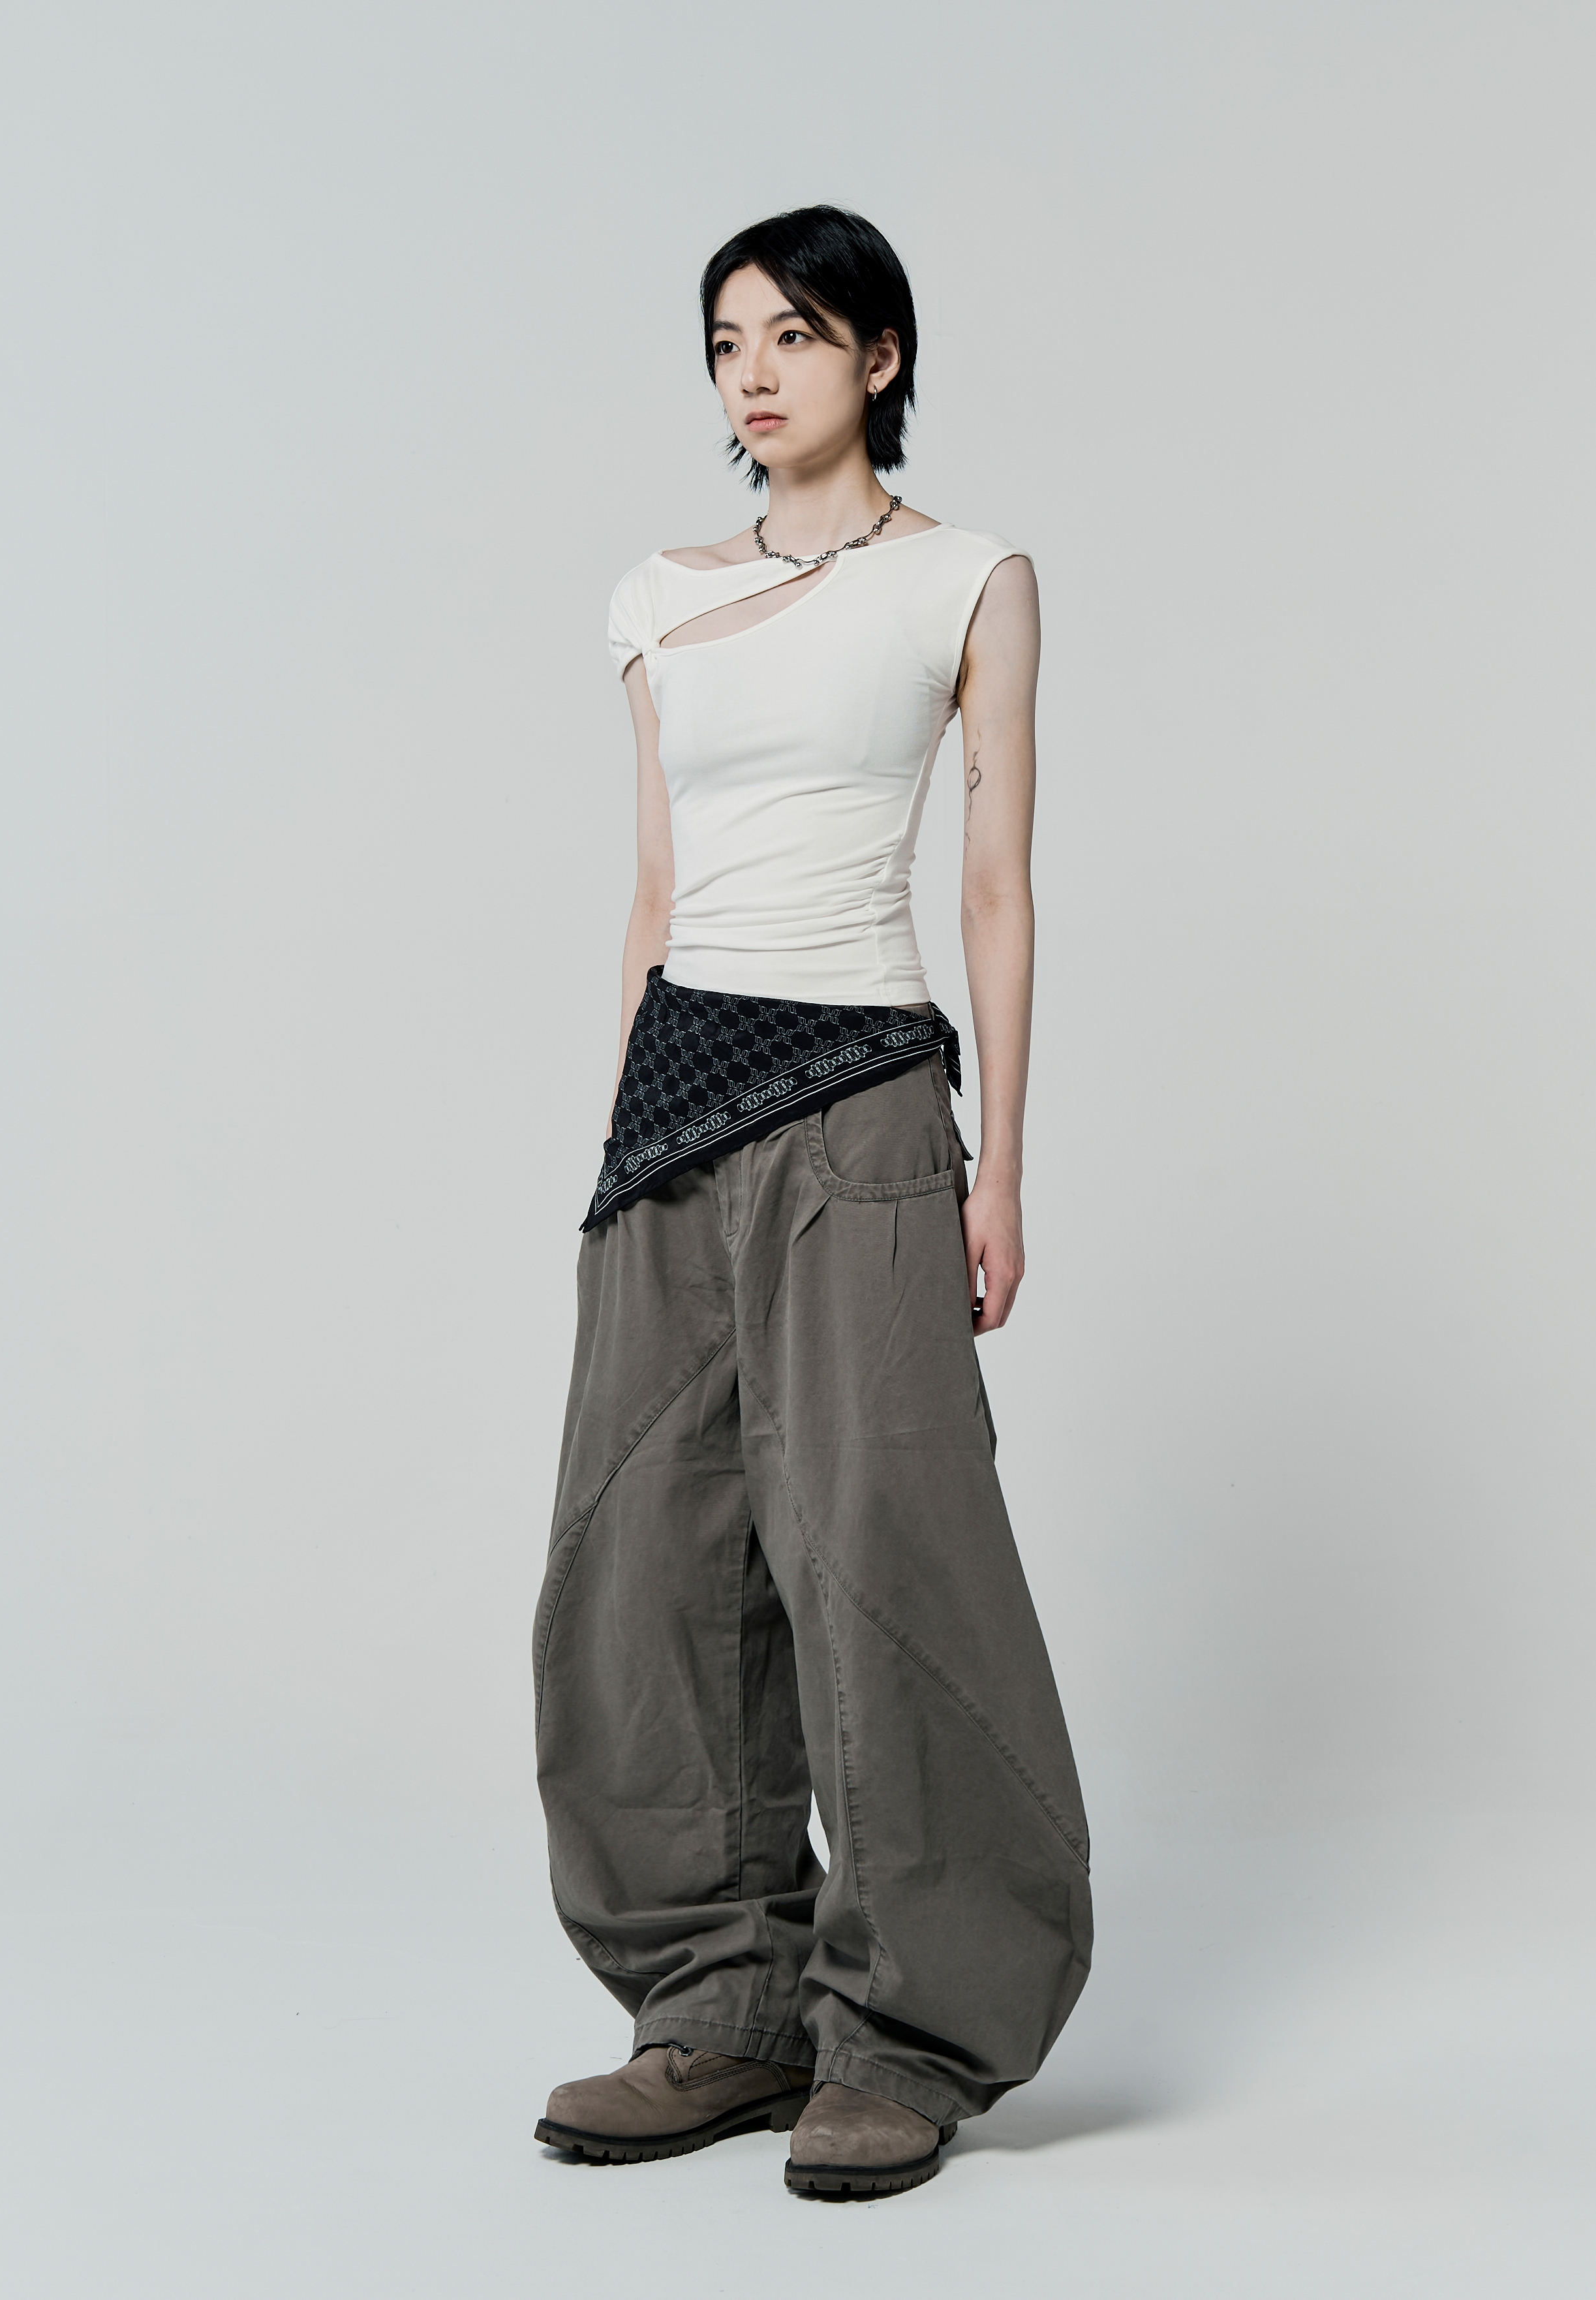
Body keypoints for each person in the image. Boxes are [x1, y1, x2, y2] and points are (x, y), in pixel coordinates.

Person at [532, 204, 1090, 2201]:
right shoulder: (652, 595)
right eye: (723, 341)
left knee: (879, 1548)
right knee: (642, 1557)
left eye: (790, 332)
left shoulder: (966, 577)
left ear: (877, 354)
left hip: (857, 1089)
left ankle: (911, 2029)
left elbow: (996, 885)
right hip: (674, 1105)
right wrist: (618, 1140)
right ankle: (723, 2006)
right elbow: (656, 889)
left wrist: (998, 1163)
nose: (751, 371)